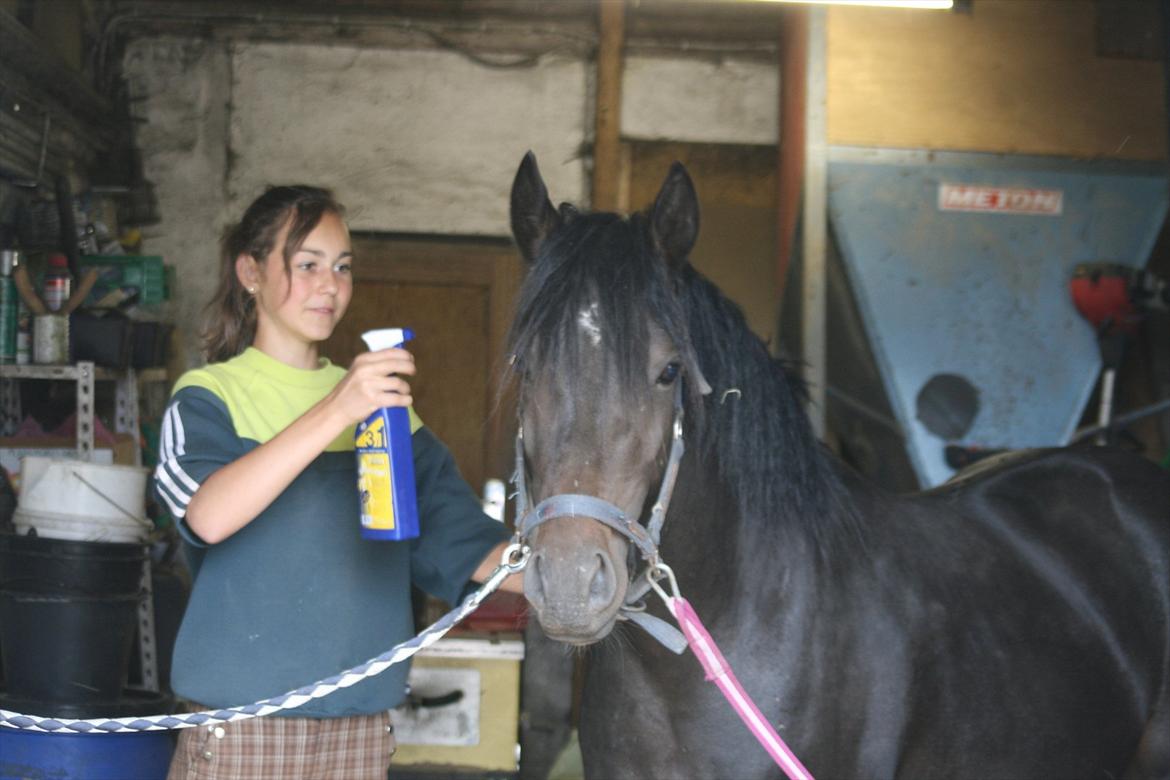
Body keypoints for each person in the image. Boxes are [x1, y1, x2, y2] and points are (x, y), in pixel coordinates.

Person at [152, 185, 518, 779]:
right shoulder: (209, 397)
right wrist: (339, 408)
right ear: (250, 271)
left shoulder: (386, 413)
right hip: (242, 728)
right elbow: (208, 516)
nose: (329, 285)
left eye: (342, 267)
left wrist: (587, 573)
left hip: (358, 732)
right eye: (307, 265)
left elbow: (467, 541)